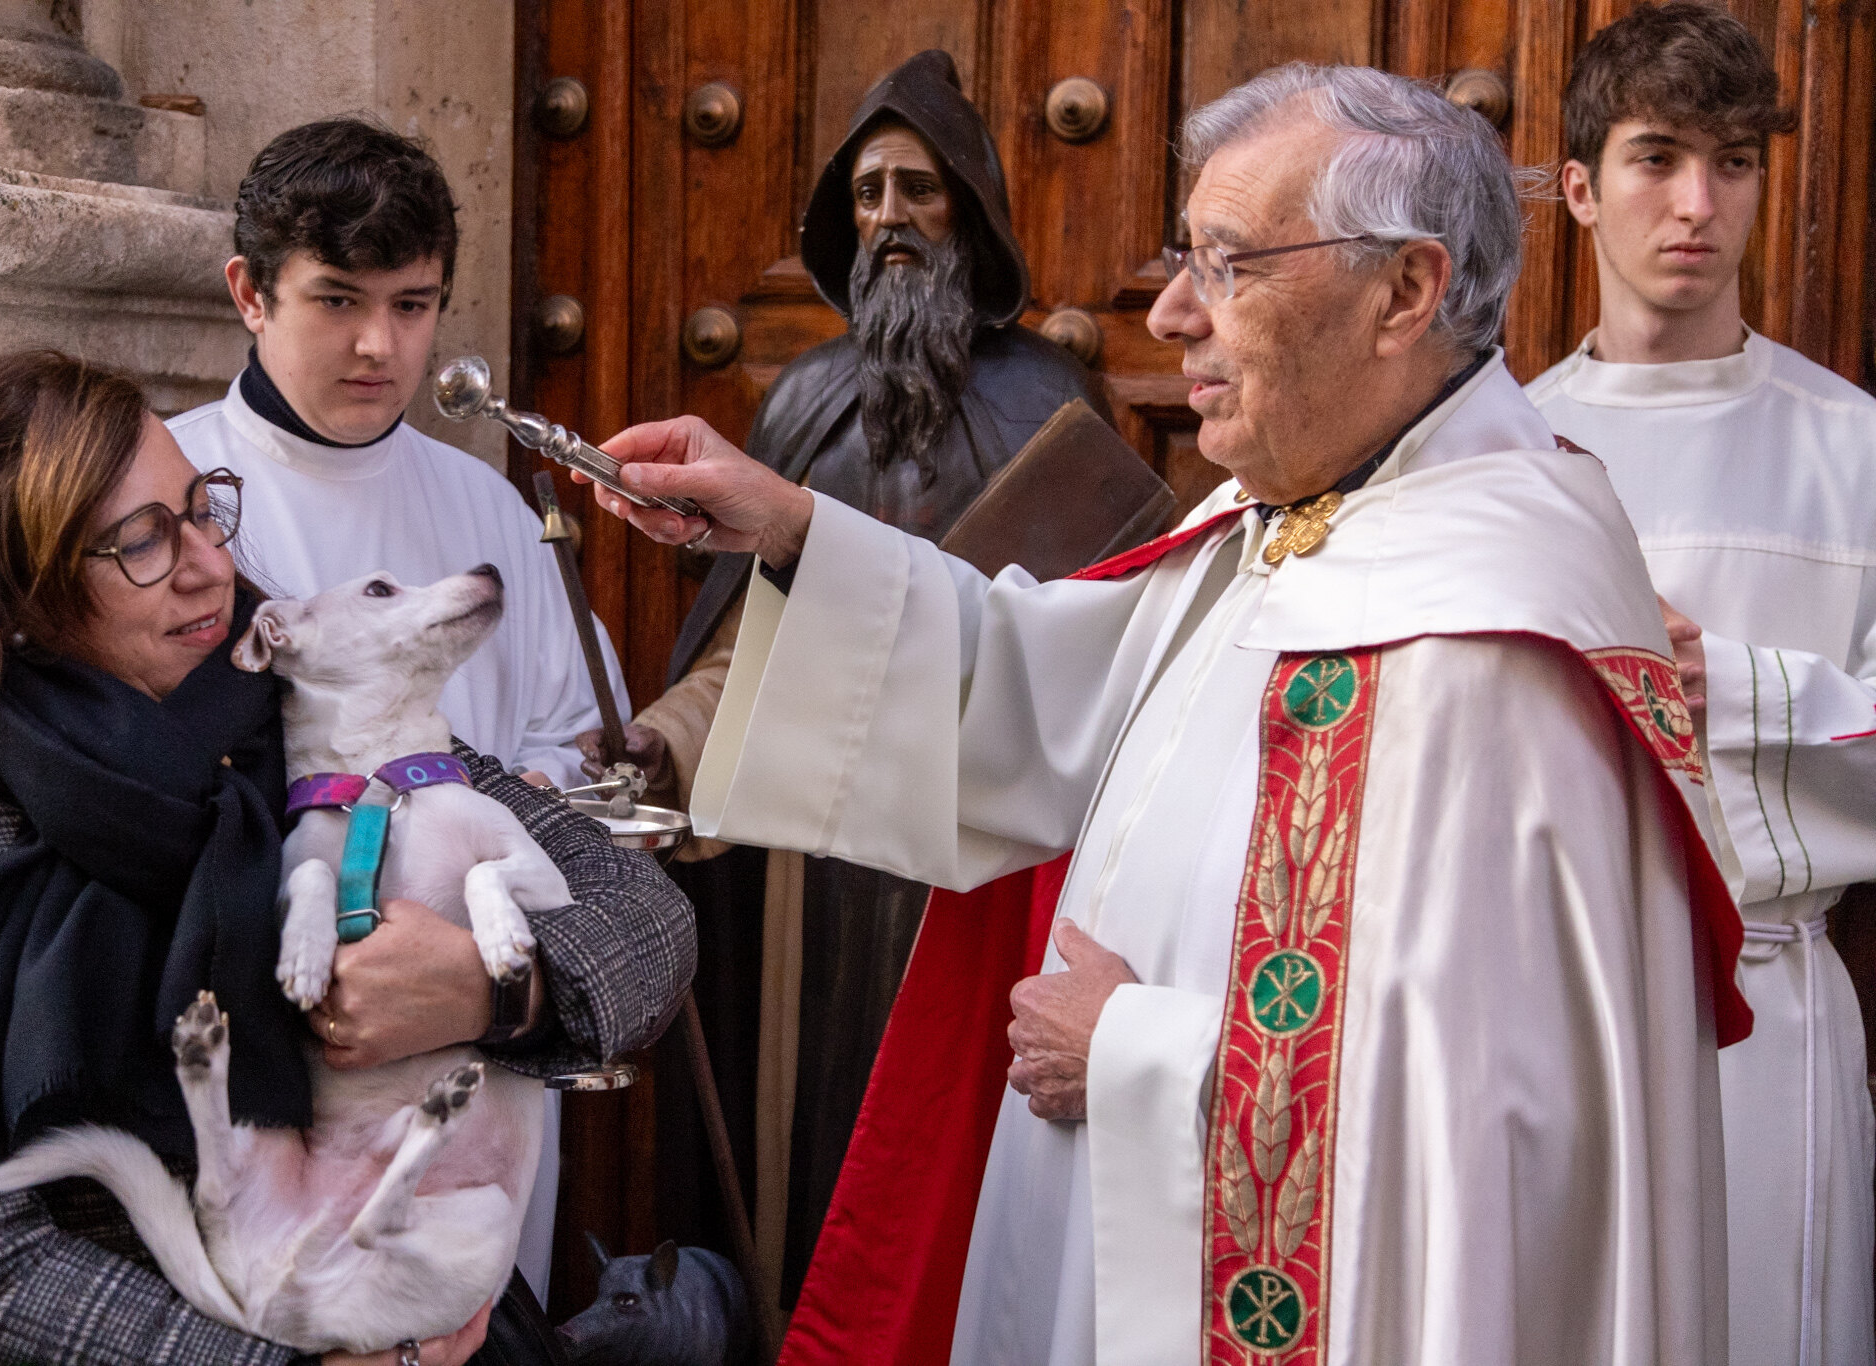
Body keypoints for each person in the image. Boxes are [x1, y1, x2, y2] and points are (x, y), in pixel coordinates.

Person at [586, 64, 1751, 1365]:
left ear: (1405, 292)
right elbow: (1033, 690)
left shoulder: (1489, 635)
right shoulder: (1290, 513)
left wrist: (1133, 1053)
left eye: (1228, 264)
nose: (1173, 311)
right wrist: (794, 528)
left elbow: (1495, 1129)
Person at [0, 351, 692, 1365]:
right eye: (140, 541)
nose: (208, 564)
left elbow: (644, 919)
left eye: (202, 510)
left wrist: (494, 988)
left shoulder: (315, 710)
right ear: (15, 596)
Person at [579, 48, 1095, 1301]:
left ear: (967, 205)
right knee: (812, 1127)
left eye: (917, 188)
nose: (890, 218)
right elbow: (742, 637)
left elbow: (1086, 640)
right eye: (867, 194)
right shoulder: (805, 398)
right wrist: (664, 741)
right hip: (814, 850)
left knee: (957, 1145)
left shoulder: (1049, 397)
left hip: (981, 836)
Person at [167, 117, 630, 1304]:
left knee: (464, 1310)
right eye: (338, 300)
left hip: (475, 1051)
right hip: (272, 1048)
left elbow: (567, 748)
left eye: (413, 305)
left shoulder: (488, 511)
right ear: (249, 294)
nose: (380, 344)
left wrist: (482, 934)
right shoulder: (171, 494)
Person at [1524, 7, 1876, 1362]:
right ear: (1577, 188)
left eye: (1733, 164)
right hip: (1548, 1011)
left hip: (1766, 1019)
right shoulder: (1508, 453)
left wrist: (1722, 685)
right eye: (1656, 158)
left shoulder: (1851, 451)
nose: (1696, 205)